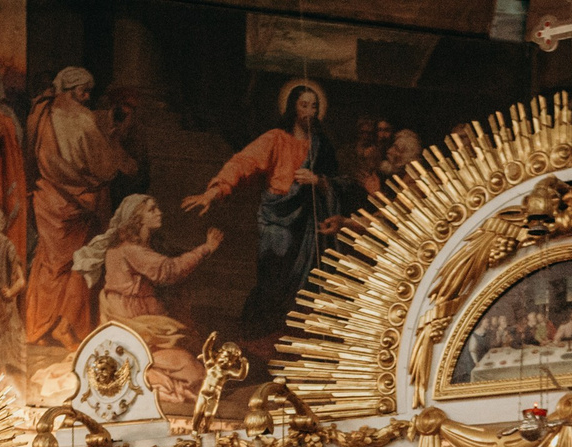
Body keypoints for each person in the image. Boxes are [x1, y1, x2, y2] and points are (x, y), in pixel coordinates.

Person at [182, 80, 340, 347]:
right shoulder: (275, 139)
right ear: (292, 107)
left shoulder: (322, 147)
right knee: (273, 280)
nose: (310, 112)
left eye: (314, 107)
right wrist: (215, 191)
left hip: (308, 224)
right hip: (277, 220)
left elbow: (341, 181)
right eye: (304, 105)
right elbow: (244, 162)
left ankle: (290, 339)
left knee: (303, 284)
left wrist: (319, 180)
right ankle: (258, 337)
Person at [72, 194, 226, 412]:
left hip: (147, 327)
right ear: (137, 218)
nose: (159, 212)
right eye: (152, 210)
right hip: (138, 328)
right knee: (196, 374)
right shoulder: (130, 250)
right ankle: (133, 375)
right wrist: (206, 248)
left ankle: (135, 371)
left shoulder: (138, 248)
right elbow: (168, 271)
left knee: (197, 365)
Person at [28, 66, 136, 349]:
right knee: (81, 264)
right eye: (83, 91)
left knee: (49, 263)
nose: (87, 96)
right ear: (72, 89)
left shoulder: (43, 115)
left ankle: (37, 327)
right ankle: (66, 327)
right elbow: (105, 167)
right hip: (79, 201)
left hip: (47, 197)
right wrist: (114, 141)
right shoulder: (84, 121)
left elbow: (42, 156)